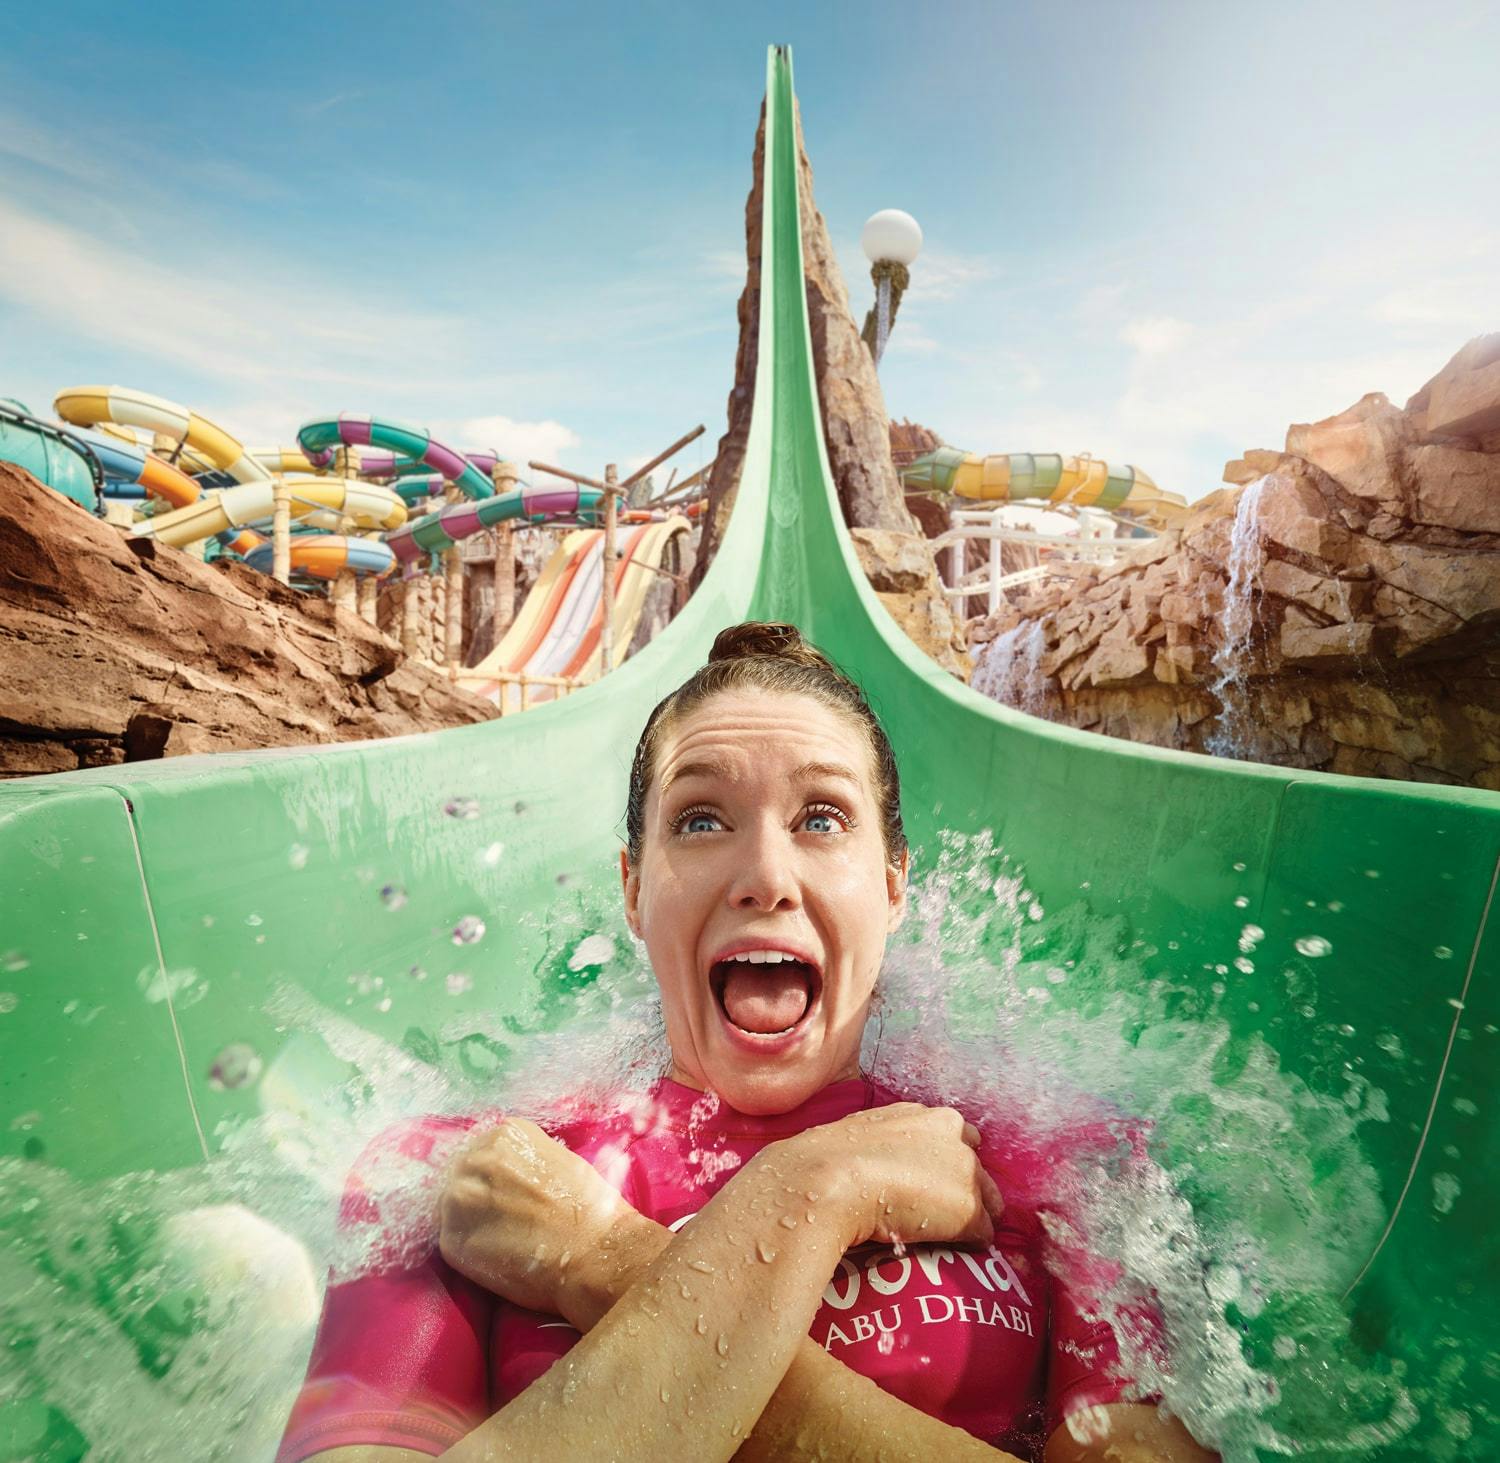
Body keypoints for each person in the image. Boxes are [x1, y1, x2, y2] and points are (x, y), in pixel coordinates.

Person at [277, 621, 1217, 1463]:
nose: (765, 874)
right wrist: (810, 1194)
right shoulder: (462, 1180)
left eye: (821, 819)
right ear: (634, 890)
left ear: (893, 888)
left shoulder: (1064, 1165)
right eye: (700, 820)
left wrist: (599, 1260)